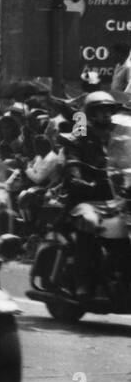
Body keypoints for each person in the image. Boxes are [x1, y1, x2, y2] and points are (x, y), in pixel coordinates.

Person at [62, 91, 121, 301]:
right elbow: (72, 162)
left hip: (117, 199)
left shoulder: (120, 135)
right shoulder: (79, 137)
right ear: (90, 113)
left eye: (108, 110)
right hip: (87, 198)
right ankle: (82, 281)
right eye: (100, 111)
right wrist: (78, 178)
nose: (105, 115)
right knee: (89, 222)